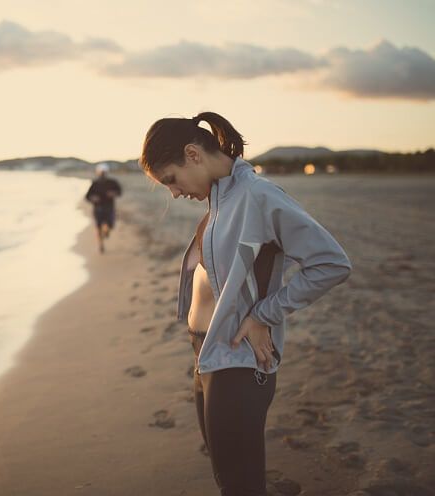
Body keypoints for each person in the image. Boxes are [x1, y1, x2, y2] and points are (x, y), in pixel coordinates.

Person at [139, 112, 352, 496]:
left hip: (237, 363)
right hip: (207, 355)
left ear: (192, 154)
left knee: (240, 485)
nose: (173, 193)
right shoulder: (220, 200)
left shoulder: (258, 196)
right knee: (227, 476)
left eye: (170, 180)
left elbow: (331, 263)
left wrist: (263, 315)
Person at [85, 163, 122, 253]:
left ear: (107, 172)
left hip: (109, 207)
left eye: (104, 172)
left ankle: (106, 231)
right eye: (101, 172)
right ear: (98, 173)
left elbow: (119, 192)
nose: (102, 174)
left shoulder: (112, 182)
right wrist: (93, 198)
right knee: (98, 227)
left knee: (110, 225)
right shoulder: (95, 183)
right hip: (98, 208)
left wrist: (113, 193)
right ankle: (101, 245)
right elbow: (87, 196)